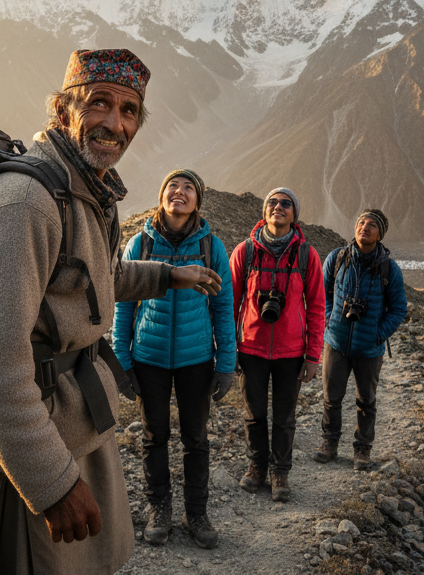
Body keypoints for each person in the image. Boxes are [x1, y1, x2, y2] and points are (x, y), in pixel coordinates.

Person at [0, 49, 223, 575]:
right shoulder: (26, 205)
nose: (114, 124)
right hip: (22, 460)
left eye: (129, 112)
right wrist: (52, 484)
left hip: (68, 426)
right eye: (99, 104)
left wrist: (168, 275)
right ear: (61, 112)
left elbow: (91, 281)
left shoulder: (84, 191)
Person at [113, 168, 235, 549]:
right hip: (148, 357)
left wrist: (226, 363)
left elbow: (224, 306)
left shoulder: (211, 247)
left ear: (198, 200)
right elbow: (123, 304)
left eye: (188, 188)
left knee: (196, 439)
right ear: (162, 195)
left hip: (196, 358)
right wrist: (121, 359)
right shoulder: (140, 244)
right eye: (172, 186)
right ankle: (159, 509)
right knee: (154, 436)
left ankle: (196, 512)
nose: (178, 192)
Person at [230, 187, 324, 503]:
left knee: (284, 416)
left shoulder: (306, 255)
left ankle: (280, 472)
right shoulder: (245, 251)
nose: (278, 207)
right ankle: (257, 466)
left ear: (294, 214)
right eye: (272, 202)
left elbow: (317, 306)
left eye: (286, 204)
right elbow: (228, 301)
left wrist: (313, 355)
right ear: (264, 211)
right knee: (254, 413)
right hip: (251, 348)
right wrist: (229, 349)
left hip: (291, 351)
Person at [315, 208, 407, 472]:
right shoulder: (337, 258)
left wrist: (378, 334)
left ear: (380, 235)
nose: (364, 227)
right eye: (361, 222)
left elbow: (399, 308)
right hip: (336, 343)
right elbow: (323, 295)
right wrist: (330, 320)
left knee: (366, 400)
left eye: (372, 225)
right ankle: (329, 443)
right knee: (331, 398)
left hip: (370, 349)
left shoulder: (389, 269)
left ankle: (362, 449)